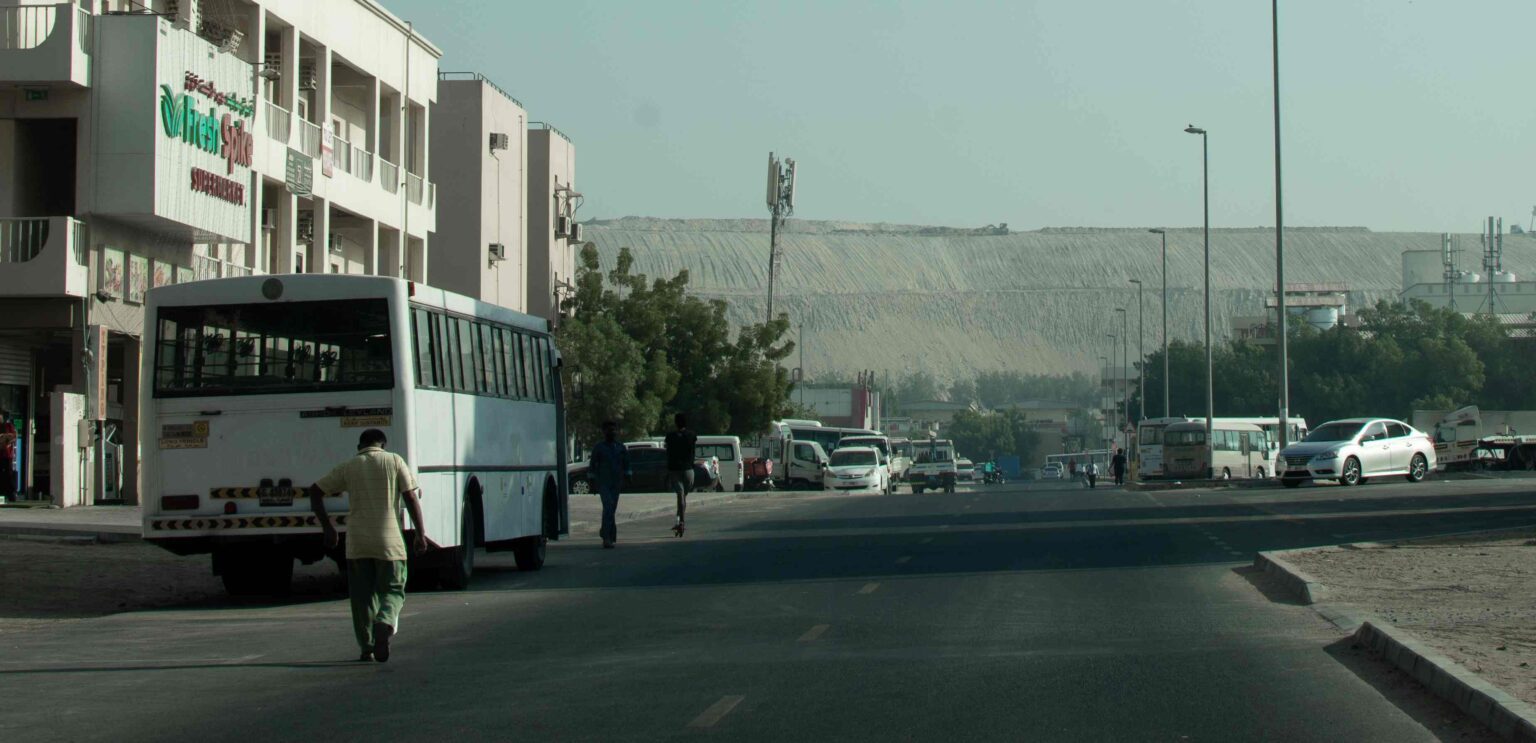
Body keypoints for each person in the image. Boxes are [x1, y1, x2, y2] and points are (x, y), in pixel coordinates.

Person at [308, 428, 427, 663]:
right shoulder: (394, 461)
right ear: (383, 445)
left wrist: (328, 527)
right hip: (389, 543)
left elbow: (315, 491)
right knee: (393, 590)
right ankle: (385, 620)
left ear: (359, 446)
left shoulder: (349, 466)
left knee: (362, 598)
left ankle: (367, 647)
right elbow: (410, 497)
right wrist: (420, 534)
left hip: (357, 544)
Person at [588, 421, 631, 549]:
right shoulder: (599, 447)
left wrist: (628, 477)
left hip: (616, 482)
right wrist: (591, 482)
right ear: (604, 432)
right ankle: (607, 537)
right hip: (603, 482)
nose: (612, 432)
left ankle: (607, 533)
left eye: (614, 430)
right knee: (608, 507)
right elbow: (592, 465)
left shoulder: (620, 447)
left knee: (611, 509)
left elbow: (626, 464)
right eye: (609, 430)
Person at [663, 413, 697, 537]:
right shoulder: (691, 435)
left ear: (675, 423)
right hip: (688, 470)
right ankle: (680, 520)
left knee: (680, 495)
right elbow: (693, 450)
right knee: (683, 497)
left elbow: (668, 452)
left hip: (674, 469)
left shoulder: (670, 436)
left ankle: (680, 521)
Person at [0, 409, 16, 500]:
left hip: (6, 454)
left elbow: (13, 437)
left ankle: (11, 493)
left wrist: (7, 440)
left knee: (8, 473)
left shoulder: (8, 426)